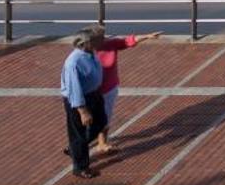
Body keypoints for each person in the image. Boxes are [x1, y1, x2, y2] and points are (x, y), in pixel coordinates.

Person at [89, 26, 163, 156]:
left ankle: (102, 143)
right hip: (90, 90)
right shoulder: (85, 51)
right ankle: (80, 143)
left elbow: (128, 41)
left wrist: (147, 36)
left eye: (103, 36)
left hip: (108, 89)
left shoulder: (110, 44)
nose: (104, 39)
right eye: (100, 37)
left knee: (105, 117)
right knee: (88, 118)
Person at [60, 30, 106, 177]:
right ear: (87, 43)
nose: (102, 41)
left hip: (94, 95)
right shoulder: (73, 62)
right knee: (78, 133)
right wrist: (82, 110)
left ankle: (75, 149)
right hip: (80, 100)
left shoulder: (91, 54)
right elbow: (74, 88)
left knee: (101, 122)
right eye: (99, 39)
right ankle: (80, 168)